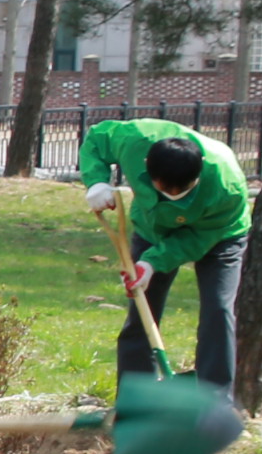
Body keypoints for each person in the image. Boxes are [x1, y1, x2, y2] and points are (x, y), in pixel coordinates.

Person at [77, 118, 250, 387]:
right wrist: (96, 182)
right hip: (152, 227)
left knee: (218, 311)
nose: (173, 195)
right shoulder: (134, 139)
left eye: (183, 190)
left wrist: (153, 262)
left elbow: (197, 239)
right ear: (147, 167)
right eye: (165, 188)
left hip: (218, 234)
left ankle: (213, 403)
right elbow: (97, 138)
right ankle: (136, 402)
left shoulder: (227, 185)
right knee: (142, 311)